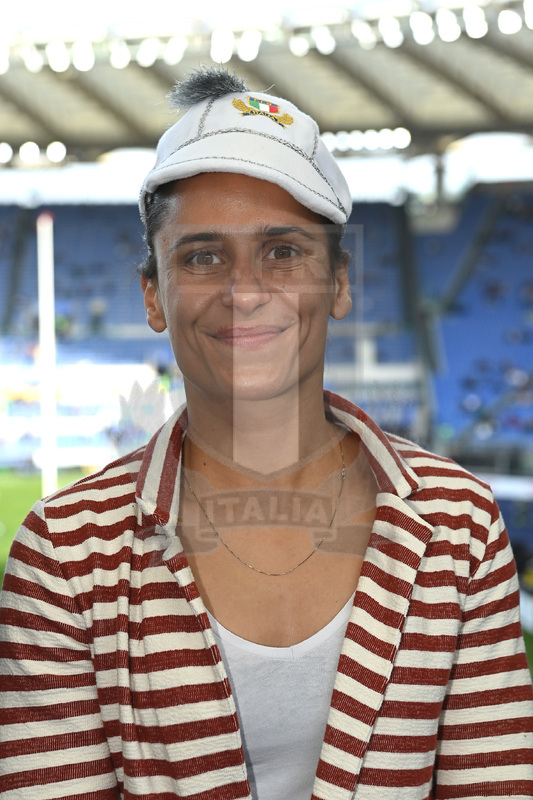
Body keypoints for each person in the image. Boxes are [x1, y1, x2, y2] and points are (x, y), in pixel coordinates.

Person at [1, 67, 532, 800]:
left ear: (339, 282)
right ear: (153, 294)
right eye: (201, 255)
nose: (243, 290)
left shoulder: (457, 523)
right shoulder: (63, 550)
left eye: (283, 251)